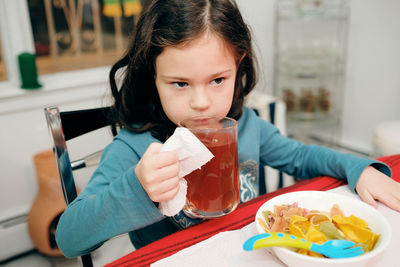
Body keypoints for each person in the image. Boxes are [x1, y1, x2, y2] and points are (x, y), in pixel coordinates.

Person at [55, 0, 400, 258]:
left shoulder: (246, 125)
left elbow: (301, 156)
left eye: (218, 80)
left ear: (239, 68)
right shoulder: (134, 149)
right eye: (179, 83)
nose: (201, 102)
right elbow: (70, 238)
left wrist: (359, 169)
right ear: (153, 79)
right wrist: (138, 188)